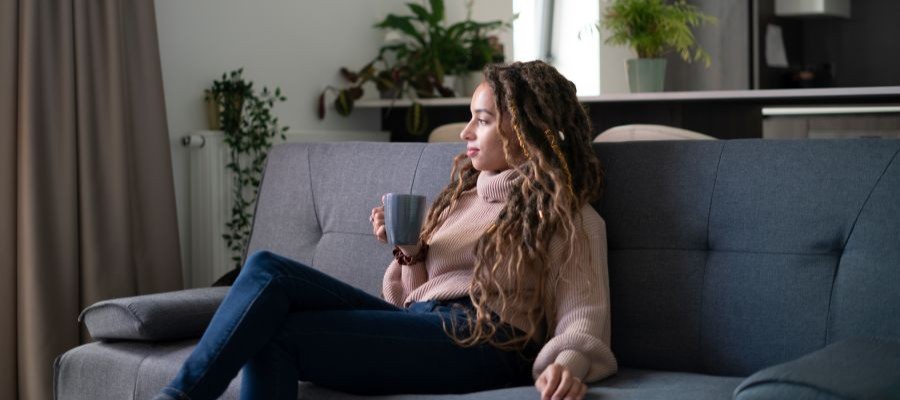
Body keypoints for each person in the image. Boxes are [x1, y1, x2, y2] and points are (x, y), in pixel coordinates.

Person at [154, 60, 616, 400]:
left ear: (528, 130)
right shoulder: (461, 199)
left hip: (487, 342)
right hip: (421, 323)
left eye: (483, 119)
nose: (465, 132)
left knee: (276, 336)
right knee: (267, 270)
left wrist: (566, 366)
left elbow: (583, 315)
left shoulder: (568, 216)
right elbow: (408, 299)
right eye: (471, 116)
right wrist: (411, 252)